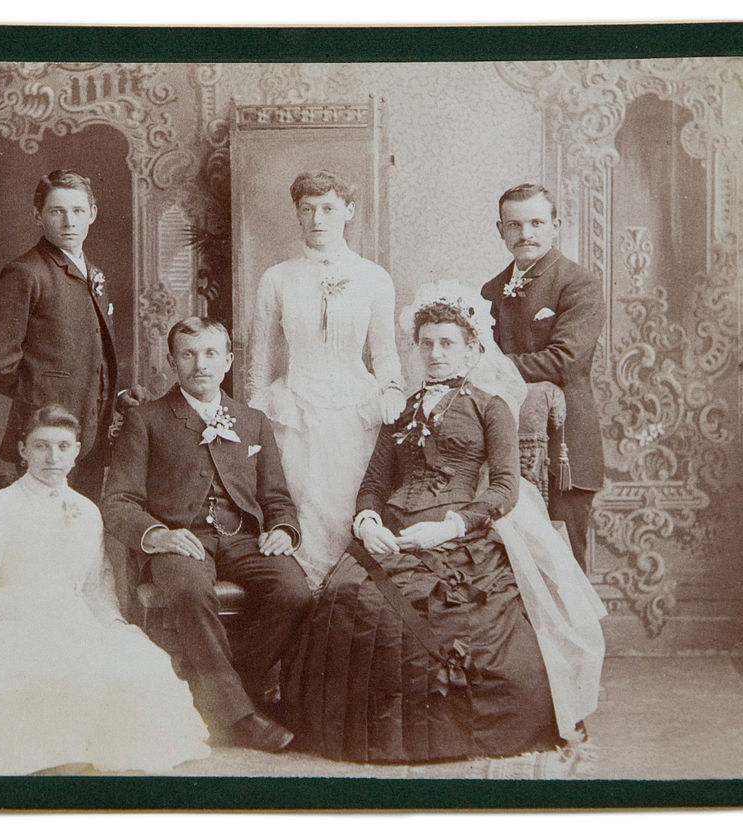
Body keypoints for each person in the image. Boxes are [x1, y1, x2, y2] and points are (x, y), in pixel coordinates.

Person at [285, 284, 605, 764]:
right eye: (427, 343)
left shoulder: (491, 406)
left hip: (460, 534)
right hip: (393, 534)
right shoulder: (402, 409)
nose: (435, 353)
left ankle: (444, 734)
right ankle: (375, 734)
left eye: (447, 343)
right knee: (350, 597)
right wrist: (368, 521)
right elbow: (374, 482)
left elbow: (505, 488)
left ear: (472, 349)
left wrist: (451, 527)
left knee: (448, 612)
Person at [0, 404, 210, 775]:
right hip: (3, 623)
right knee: (42, 677)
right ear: (23, 450)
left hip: (73, 621)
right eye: (41, 446)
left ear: (76, 452)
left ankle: (77, 748)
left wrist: (114, 625)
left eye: (63, 447)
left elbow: (96, 586)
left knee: (137, 666)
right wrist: (39, 612)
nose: (53, 458)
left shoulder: (87, 511)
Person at [103, 317, 313, 753]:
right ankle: (240, 717)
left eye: (211, 353)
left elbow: (276, 496)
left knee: (294, 591)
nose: (200, 364)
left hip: (242, 540)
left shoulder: (253, 421)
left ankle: (223, 694)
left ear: (228, 361)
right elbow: (119, 502)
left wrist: (282, 529)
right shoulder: (146, 420)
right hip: (180, 540)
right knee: (190, 589)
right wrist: (158, 535)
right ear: (172, 362)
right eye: (188, 354)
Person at [247, 170, 405, 587]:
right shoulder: (277, 278)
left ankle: (349, 601)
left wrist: (392, 387)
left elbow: (385, 352)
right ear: (297, 214)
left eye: (329, 209)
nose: (318, 219)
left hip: (356, 408)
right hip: (295, 410)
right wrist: (253, 420)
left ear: (349, 211)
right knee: (301, 508)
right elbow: (260, 358)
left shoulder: (374, 277)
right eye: (308, 209)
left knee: (353, 505)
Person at [0, 169, 148, 501]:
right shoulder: (26, 273)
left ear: (92, 213)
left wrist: (116, 395)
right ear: (38, 216)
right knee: (42, 525)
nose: (69, 222)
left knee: (80, 523)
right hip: (44, 437)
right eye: (56, 211)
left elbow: (91, 357)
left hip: (89, 437)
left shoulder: (94, 274)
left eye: (78, 210)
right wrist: (44, 394)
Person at [481, 183, 605, 569]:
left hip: (562, 445)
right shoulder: (490, 291)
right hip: (504, 445)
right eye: (514, 225)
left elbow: (565, 360)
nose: (526, 234)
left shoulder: (578, 283)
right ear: (500, 230)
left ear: (556, 226)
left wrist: (491, 368)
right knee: (507, 569)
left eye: (536, 223)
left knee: (563, 569)